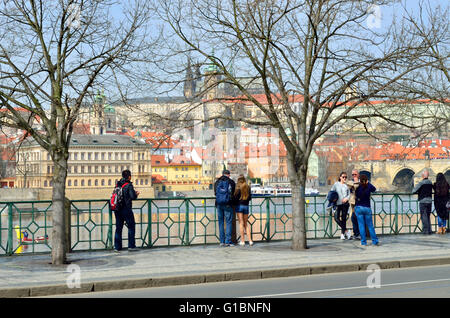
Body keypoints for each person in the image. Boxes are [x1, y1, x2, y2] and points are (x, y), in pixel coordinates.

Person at [114, 169, 140, 252]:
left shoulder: (118, 184)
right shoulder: (128, 185)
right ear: (129, 177)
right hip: (126, 209)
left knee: (118, 228)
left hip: (117, 209)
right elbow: (132, 197)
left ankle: (117, 247)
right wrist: (136, 194)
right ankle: (131, 246)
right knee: (131, 226)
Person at [354, 174, 379, 246]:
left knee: (361, 225)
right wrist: (368, 183)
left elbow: (352, 190)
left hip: (358, 207)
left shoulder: (358, 187)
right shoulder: (368, 186)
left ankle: (363, 242)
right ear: (366, 180)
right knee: (370, 225)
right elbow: (374, 189)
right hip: (367, 208)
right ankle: (374, 241)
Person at [214, 170, 236, 247]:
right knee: (229, 222)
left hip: (219, 204)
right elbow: (233, 193)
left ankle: (221, 241)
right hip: (228, 204)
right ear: (228, 175)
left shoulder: (217, 182)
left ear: (222, 174)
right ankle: (228, 241)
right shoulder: (231, 182)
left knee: (221, 222)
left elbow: (215, 193)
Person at [331, 172, 351, 240]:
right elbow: (331, 192)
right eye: (343, 177)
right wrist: (333, 199)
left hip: (345, 204)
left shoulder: (347, 186)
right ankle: (346, 231)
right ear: (340, 177)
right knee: (336, 218)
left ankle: (342, 234)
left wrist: (346, 198)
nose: (344, 178)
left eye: (345, 177)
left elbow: (349, 194)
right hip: (337, 204)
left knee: (343, 219)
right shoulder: (336, 184)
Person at [412, 170, 433, 235]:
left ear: (422, 176)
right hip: (429, 201)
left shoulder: (421, 183)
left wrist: (418, 192)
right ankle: (429, 230)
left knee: (424, 216)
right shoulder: (430, 182)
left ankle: (425, 231)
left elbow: (413, 191)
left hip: (423, 201)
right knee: (428, 216)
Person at [234, 175, 253, 246]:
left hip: (239, 207)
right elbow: (250, 198)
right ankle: (250, 241)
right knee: (246, 224)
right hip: (246, 206)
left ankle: (242, 241)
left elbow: (235, 198)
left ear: (238, 180)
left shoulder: (238, 188)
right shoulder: (248, 187)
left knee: (241, 223)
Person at [347, 170, 361, 240]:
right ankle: (356, 234)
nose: (354, 176)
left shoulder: (362, 182)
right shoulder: (350, 182)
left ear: (358, 175)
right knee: (353, 218)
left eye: (355, 174)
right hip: (353, 204)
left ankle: (359, 234)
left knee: (360, 218)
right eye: (353, 175)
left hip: (361, 203)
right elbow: (348, 186)